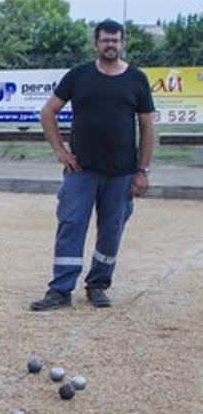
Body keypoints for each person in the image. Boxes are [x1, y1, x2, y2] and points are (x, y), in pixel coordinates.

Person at [30, 19, 155, 311]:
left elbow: (147, 127)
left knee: (111, 230)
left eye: (115, 40)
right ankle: (60, 290)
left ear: (123, 43)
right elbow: (48, 111)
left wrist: (143, 171)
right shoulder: (79, 76)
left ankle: (98, 285)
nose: (110, 45)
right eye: (105, 40)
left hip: (122, 173)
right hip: (81, 170)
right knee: (71, 225)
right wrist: (60, 150)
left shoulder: (136, 79)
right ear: (96, 43)